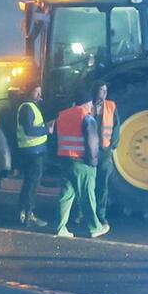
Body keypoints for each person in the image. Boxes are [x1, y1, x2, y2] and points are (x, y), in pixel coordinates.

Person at [52, 89, 108, 239]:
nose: (91, 107)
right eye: (90, 104)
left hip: (65, 161)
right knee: (87, 196)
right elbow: (92, 143)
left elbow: (55, 138)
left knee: (66, 195)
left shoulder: (62, 116)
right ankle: (95, 227)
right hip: (82, 163)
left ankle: (60, 228)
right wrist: (93, 162)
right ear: (87, 104)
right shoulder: (87, 118)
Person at [16, 86, 50, 228]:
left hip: (33, 151)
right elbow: (29, 130)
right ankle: (28, 215)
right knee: (31, 184)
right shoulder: (27, 108)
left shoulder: (31, 107)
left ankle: (24, 213)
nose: (39, 94)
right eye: (37, 91)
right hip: (32, 153)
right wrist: (47, 129)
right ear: (30, 92)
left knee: (29, 184)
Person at [91, 82, 120, 230]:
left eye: (105, 90)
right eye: (100, 90)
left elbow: (116, 129)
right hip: (89, 151)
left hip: (103, 151)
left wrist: (111, 147)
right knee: (87, 185)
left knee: (102, 186)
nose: (103, 93)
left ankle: (100, 215)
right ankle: (83, 214)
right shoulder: (88, 106)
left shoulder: (111, 107)